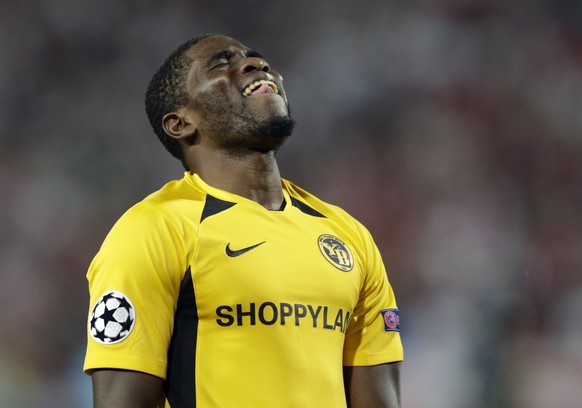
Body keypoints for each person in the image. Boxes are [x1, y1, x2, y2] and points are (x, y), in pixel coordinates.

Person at [83, 33, 404, 408]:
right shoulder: (154, 230)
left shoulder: (348, 236)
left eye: (256, 57)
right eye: (222, 63)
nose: (256, 64)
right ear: (180, 123)